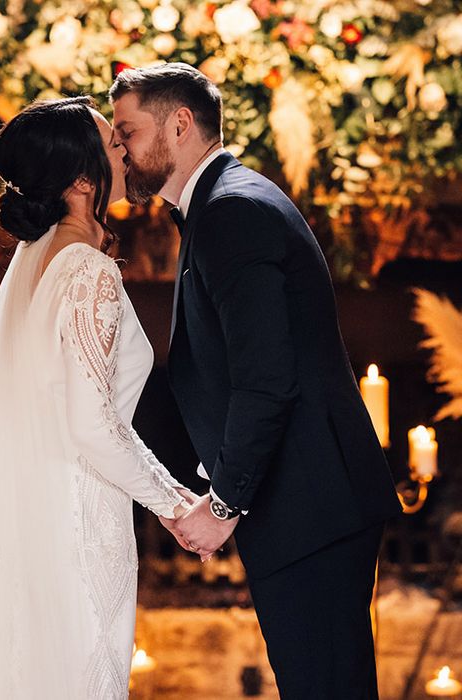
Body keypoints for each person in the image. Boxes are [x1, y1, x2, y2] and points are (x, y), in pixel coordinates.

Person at [109, 62, 403, 699]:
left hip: (311, 504)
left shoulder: (232, 211)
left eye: (127, 131)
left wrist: (223, 507)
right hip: (309, 500)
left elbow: (267, 380)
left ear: (180, 124)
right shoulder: (225, 203)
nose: (118, 148)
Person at [0, 95, 193, 699]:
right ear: (78, 178)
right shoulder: (86, 270)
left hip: (46, 511)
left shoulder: (40, 258)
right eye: (113, 144)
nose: (125, 149)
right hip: (80, 519)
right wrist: (177, 506)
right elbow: (92, 424)